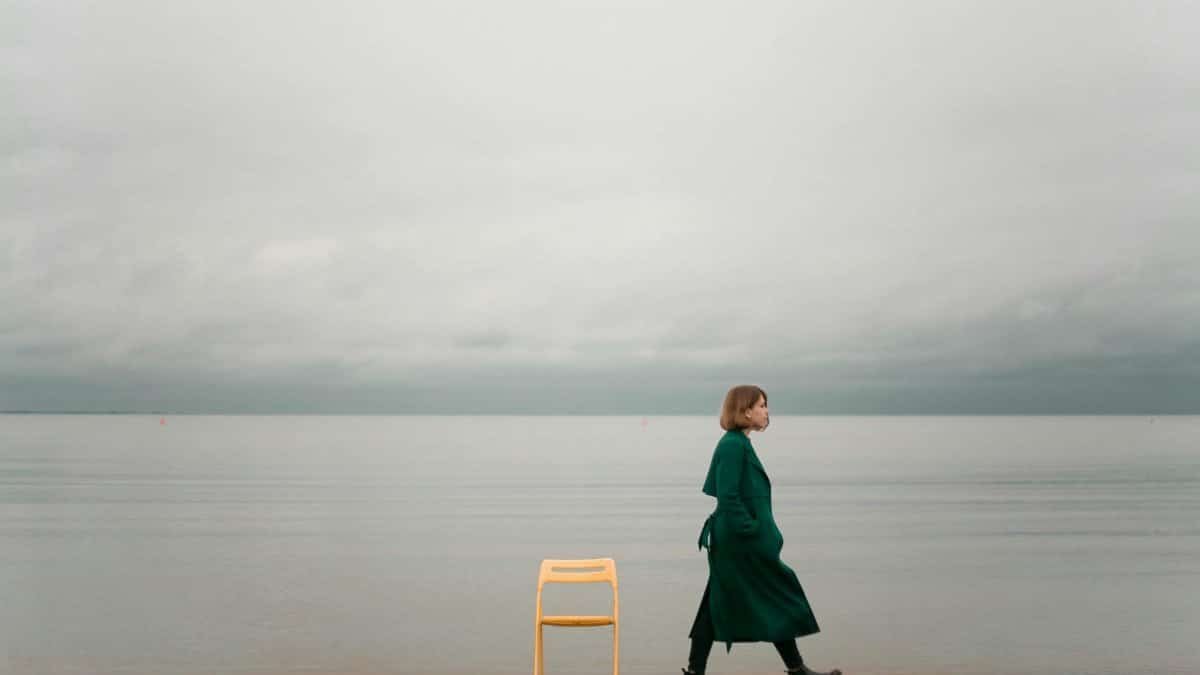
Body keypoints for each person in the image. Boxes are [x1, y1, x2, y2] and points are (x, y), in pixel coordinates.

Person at [683, 385, 841, 675]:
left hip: (739, 540)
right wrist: (751, 529)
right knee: (775, 591)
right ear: (745, 411)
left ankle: (697, 671)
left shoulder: (741, 442)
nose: (767, 411)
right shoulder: (732, 445)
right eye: (762, 405)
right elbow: (728, 495)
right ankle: (796, 668)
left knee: (726, 599)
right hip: (738, 541)